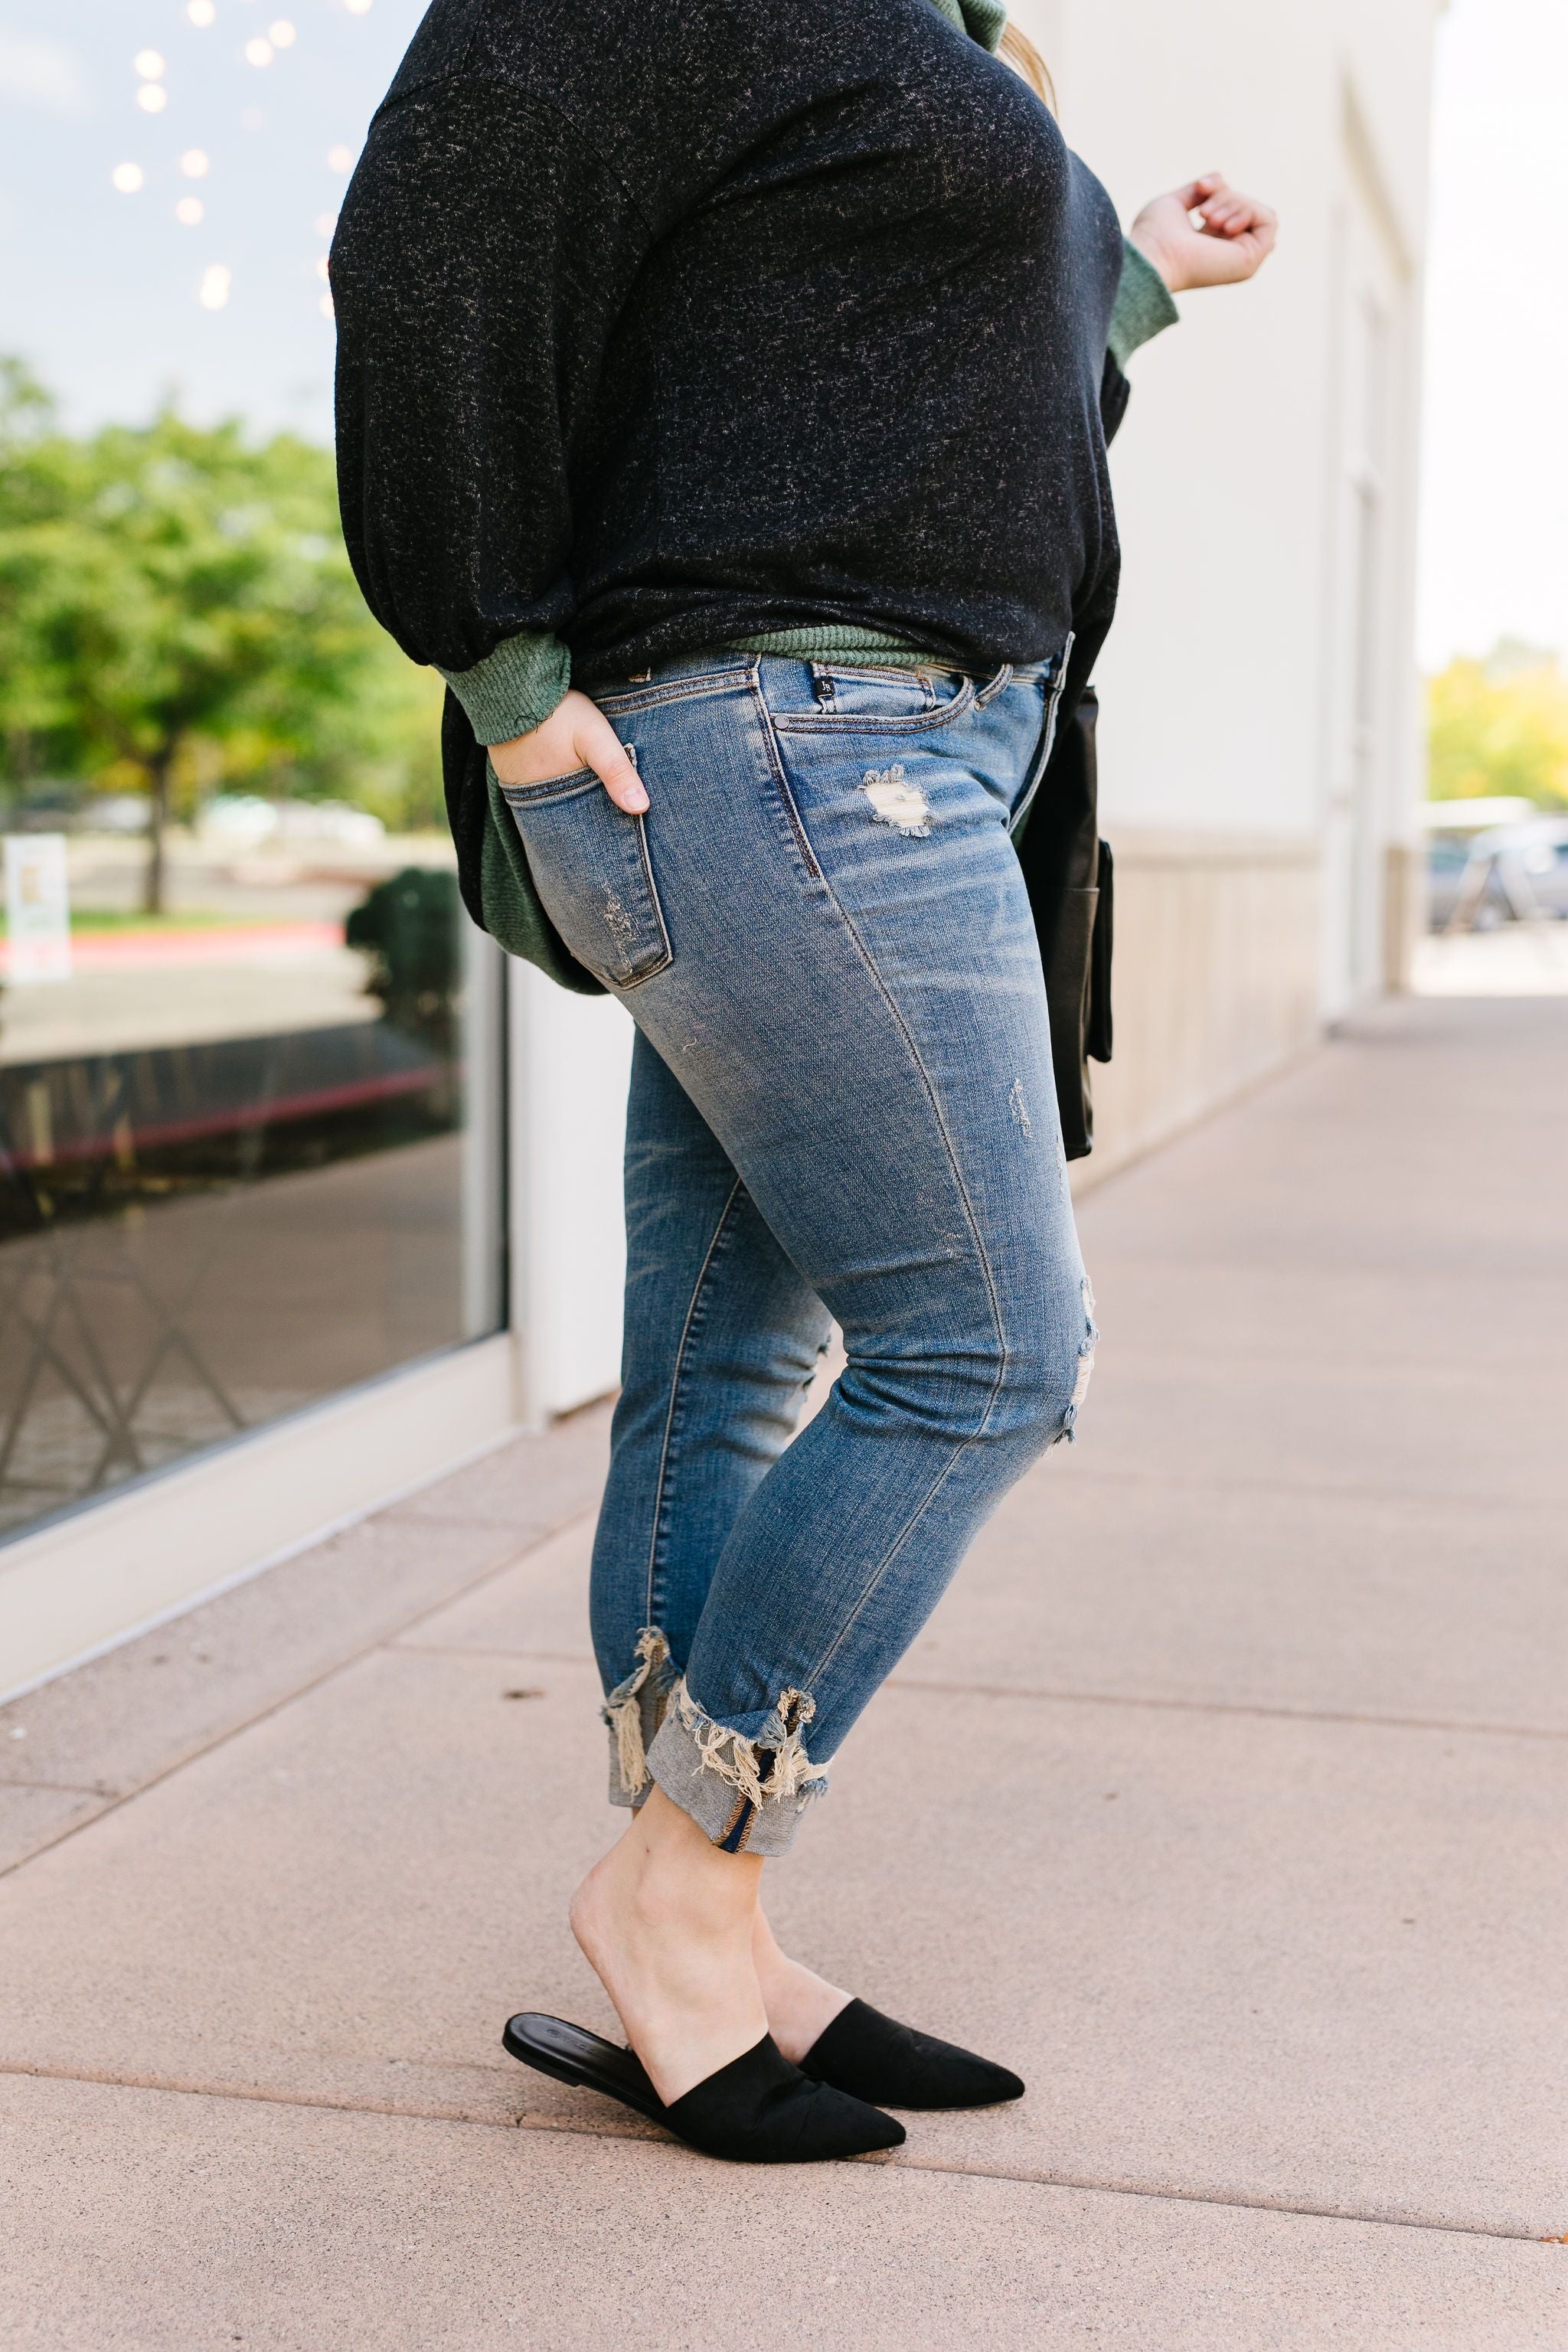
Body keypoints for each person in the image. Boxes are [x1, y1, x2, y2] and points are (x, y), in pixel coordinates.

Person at [332, 0, 1276, 2164]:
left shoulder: (938, 33)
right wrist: (494, 666)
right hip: (786, 751)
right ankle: (682, 1886)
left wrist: (1119, 273)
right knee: (989, 1351)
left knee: (727, 1350)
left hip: (890, 747)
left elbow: (890, 390)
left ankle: (720, 1950)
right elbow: (432, 238)